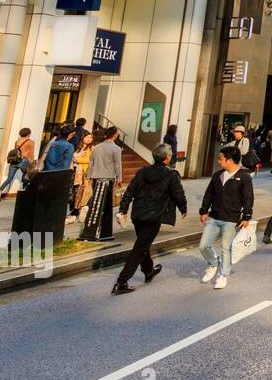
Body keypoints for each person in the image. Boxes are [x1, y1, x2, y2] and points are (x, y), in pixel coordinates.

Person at [111, 143, 187, 295]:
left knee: (143, 243)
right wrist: (183, 208)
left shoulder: (143, 171)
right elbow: (178, 194)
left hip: (138, 214)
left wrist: (123, 210)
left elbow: (129, 191)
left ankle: (148, 271)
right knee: (139, 248)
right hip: (154, 216)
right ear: (166, 158)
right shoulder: (171, 175)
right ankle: (121, 281)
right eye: (170, 155)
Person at [198, 145, 255, 290]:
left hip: (231, 218)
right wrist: (203, 211)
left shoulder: (243, 177)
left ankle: (223, 275)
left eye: (221, 158)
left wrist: (246, 216)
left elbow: (248, 198)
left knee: (225, 247)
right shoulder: (217, 176)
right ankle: (213, 263)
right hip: (214, 216)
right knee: (203, 245)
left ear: (229, 160)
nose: (219, 161)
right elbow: (209, 194)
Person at [85, 126, 124, 238]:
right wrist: (119, 178)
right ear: (115, 135)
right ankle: (105, 231)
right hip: (108, 178)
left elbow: (91, 162)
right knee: (106, 205)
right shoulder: (116, 148)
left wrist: (89, 175)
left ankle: (92, 227)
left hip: (96, 177)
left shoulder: (97, 147)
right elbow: (117, 164)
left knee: (96, 201)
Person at [0, 127, 36, 201]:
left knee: (9, 178)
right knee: (27, 176)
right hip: (24, 161)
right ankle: (25, 193)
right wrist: (32, 163)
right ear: (28, 134)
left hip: (14, 161)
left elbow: (16, 152)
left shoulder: (17, 141)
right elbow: (31, 154)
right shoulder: (30, 142)